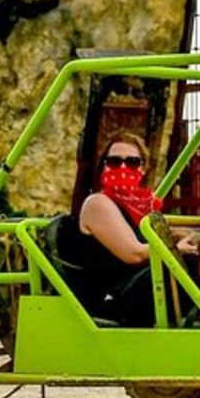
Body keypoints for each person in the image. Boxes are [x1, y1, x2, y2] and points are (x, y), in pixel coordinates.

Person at [67, 131, 164, 327]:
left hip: (139, 283)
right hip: (118, 296)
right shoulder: (98, 203)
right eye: (114, 161)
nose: (122, 167)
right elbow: (134, 254)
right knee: (194, 265)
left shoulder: (143, 205)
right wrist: (175, 247)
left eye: (132, 162)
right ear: (104, 166)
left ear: (143, 169)